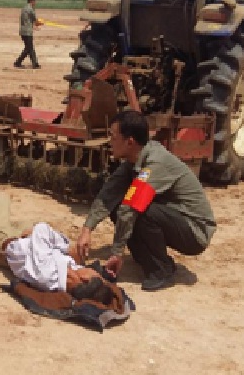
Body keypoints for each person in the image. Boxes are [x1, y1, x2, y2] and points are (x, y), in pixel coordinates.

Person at [76, 110, 217, 291]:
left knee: (139, 209)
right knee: (118, 206)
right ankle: (149, 258)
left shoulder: (155, 163)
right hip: (174, 219)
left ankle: (161, 270)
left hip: (195, 231)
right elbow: (108, 194)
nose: (110, 142)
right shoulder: (133, 160)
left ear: (130, 142)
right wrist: (87, 229)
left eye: (113, 137)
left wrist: (116, 253)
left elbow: (130, 208)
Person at [0, 194, 104, 294]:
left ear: (84, 279)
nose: (91, 269)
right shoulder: (70, 274)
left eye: (93, 273)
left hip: (6, 242)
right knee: (25, 224)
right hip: (27, 240)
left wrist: (65, 247)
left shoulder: (47, 273)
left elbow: (42, 230)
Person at [13, 0, 43, 69]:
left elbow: (27, 21)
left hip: (22, 31)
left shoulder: (24, 8)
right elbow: (35, 21)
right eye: (35, 1)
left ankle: (19, 62)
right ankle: (34, 64)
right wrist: (41, 23)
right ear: (32, 1)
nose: (35, 3)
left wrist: (35, 25)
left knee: (28, 48)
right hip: (28, 32)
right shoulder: (31, 9)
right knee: (30, 48)